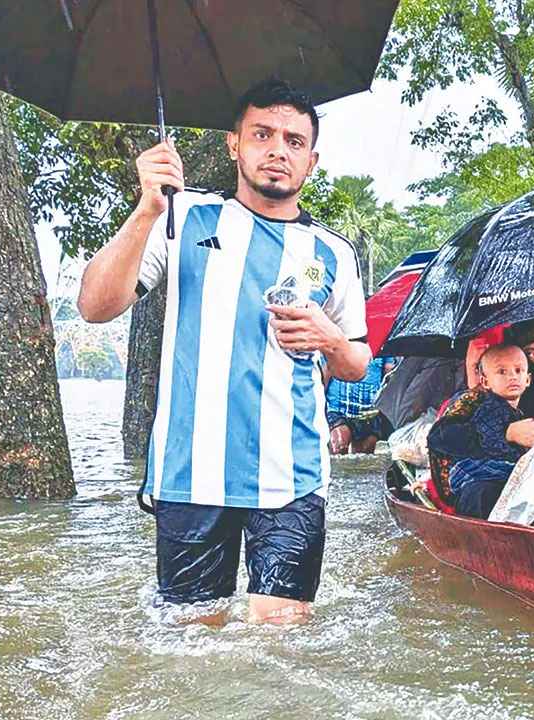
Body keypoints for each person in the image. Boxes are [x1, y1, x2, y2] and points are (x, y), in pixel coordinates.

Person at [76, 79, 370, 624]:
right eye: (262, 134)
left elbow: (357, 361)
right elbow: (94, 305)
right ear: (234, 143)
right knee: (196, 645)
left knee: (280, 638)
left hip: (292, 476)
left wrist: (328, 338)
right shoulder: (182, 218)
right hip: (191, 473)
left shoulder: (333, 252)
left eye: (294, 141)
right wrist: (145, 210)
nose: (278, 150)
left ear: (312, 160)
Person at [449, 344, 534, 518]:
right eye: (502, 372)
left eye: (518, 371)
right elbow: (487, 440)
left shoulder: (518, 413)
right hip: (478, 480)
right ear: (485, 381)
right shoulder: (489, 407)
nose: (512, 377)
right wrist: (510, 436)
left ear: (528, 379)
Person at [324, 355, 396, 455]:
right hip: (338, 407)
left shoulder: (382, 343)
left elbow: (389, 374)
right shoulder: (337, 340)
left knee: (364, 455)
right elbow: (327, 370)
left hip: (369, 410)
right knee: (339, 446)